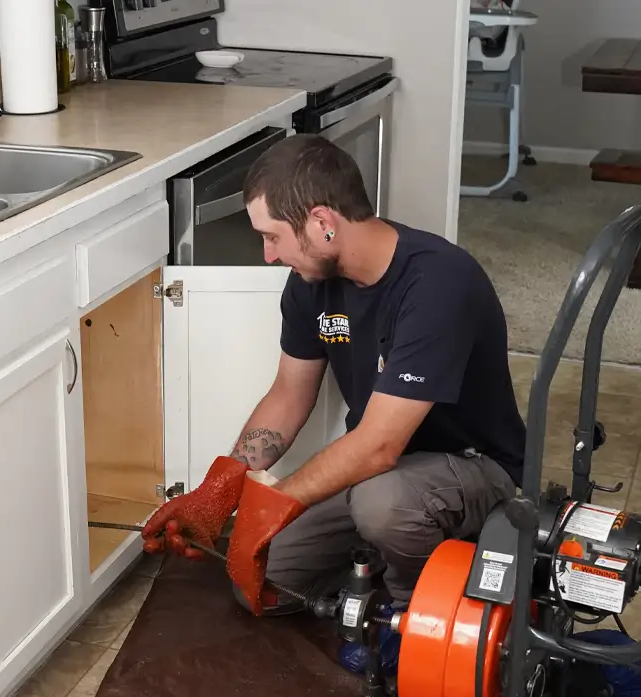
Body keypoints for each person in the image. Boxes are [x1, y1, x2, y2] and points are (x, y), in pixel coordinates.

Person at [142, 134, 526, 622]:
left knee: (381, 505)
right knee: (266, 577)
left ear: (322, 223)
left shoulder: (439, 284)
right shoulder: (310, 285)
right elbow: (287, 395)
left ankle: (416, 619)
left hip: (473, 467)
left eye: (272, 236)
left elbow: (377, 446)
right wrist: (224, 485)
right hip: (382, 474)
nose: (268, 255)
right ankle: (395, 556)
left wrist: (272, 502)